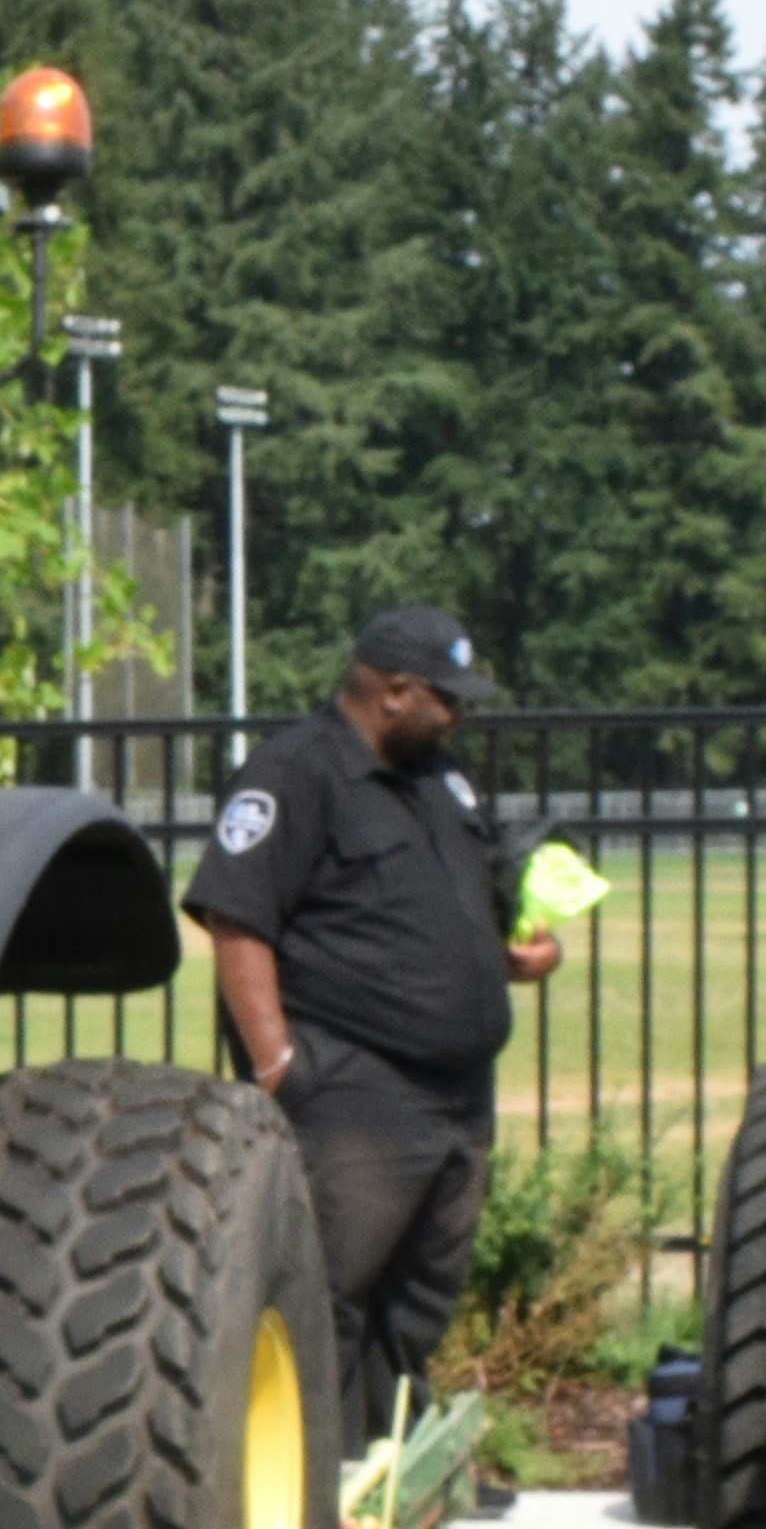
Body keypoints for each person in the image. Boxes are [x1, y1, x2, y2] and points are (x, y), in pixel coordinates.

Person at [186, 603, 563, 1440]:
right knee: (326, 1295)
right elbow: (235, 918)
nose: (460, 714)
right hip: (356, 1088)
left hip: (454, 1093)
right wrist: (276, 1064)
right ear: (394, 692)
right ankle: (307, 1485)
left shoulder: (440, 778)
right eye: (448, 698)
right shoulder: (294, 774)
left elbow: (452, 910)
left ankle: (382, 1471)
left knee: (419, 1296)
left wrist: (515, 957)